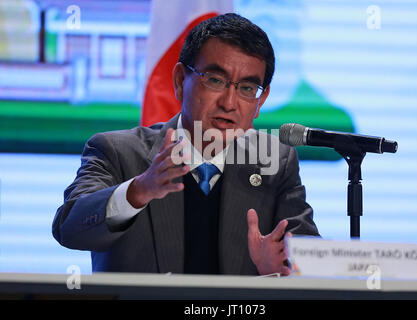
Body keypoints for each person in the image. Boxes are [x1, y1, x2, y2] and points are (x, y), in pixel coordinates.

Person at [52, 13, 319, 276]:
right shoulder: (117, 152)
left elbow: (309, 259)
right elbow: (70, 228)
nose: (229, 103)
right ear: (180, 81)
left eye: (247, 89)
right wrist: (138, 191)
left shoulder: (274, 162)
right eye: (215, 80)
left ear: (261, 100)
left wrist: (284, 271)